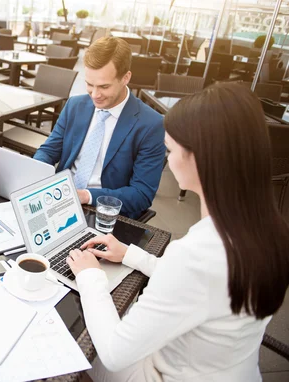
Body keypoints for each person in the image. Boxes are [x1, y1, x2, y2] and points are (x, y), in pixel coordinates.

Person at [66, 83, 289, 381]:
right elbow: (200, 284)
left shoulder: (195, 254)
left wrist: (89, 276)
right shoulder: (264, 229)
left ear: (201, 158)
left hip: (166, 374)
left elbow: (114, 352)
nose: (166, 162)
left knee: (66, 342)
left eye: (169, 150)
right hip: (231, 368)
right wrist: (130, 253)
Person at [33, 37, 165, 219]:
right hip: (59, 200)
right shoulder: (75, 106)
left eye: (104, 86)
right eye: (89, 84)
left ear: (126, 78)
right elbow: (49, 150)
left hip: (104, 212)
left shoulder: (151, 124)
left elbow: (142, 194)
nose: (95, 95)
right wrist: (35, 170)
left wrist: (86, 196)